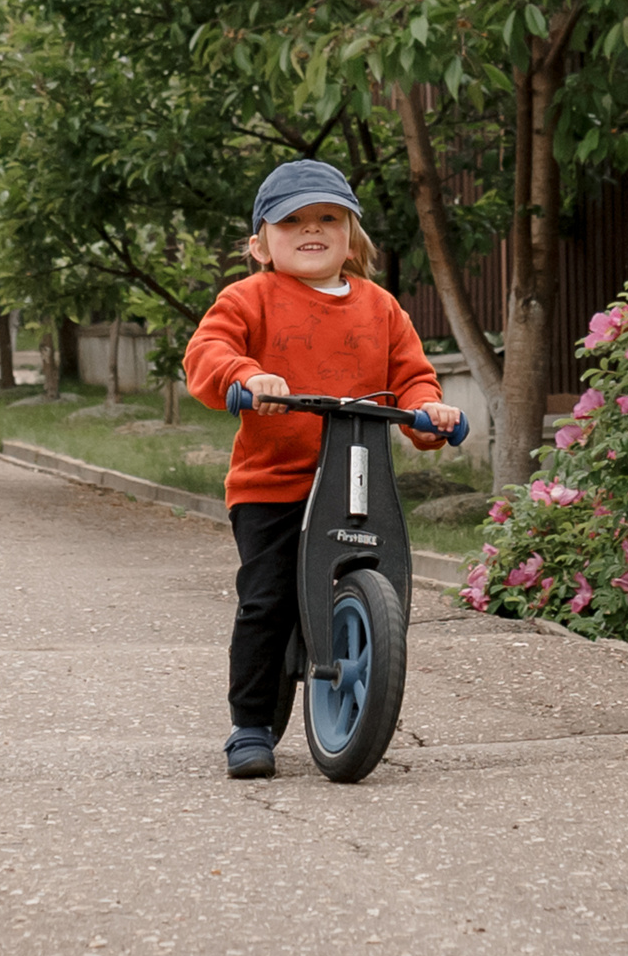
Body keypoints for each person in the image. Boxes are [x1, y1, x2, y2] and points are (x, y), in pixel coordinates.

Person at [181, 157, 460, 780]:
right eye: (292, 221)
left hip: (359, 481)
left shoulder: (382, 308)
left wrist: (428, 412)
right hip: (273, 484)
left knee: (386, 584)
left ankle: (366, 662)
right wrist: (247, 377)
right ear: (259, 244)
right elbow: (208, 352)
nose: (312, 229)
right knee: (267, 600)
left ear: (352, 237)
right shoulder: (248, 297)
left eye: (328, 218)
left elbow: (411, 377)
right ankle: (250, 725)